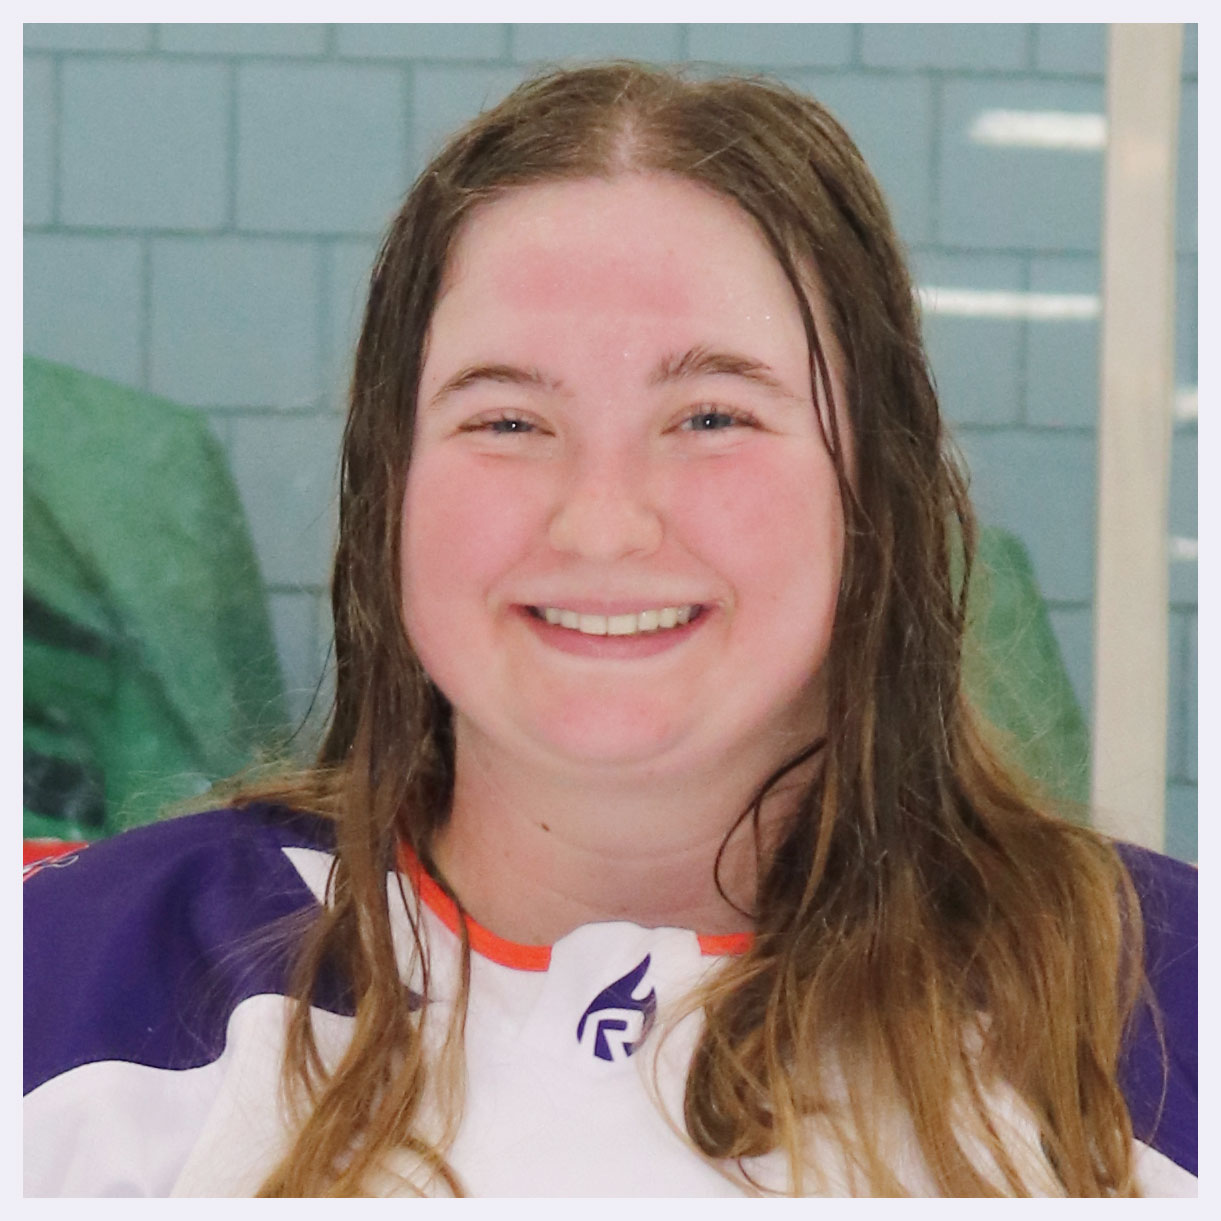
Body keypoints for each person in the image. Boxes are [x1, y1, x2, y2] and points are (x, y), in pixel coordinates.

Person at [23, 63, 1196, 1197]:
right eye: (507, 420)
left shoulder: (1163, 1005)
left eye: (711, 415)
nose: (602, 521)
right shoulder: (73, 979)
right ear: (390, 490)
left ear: (876, 495)